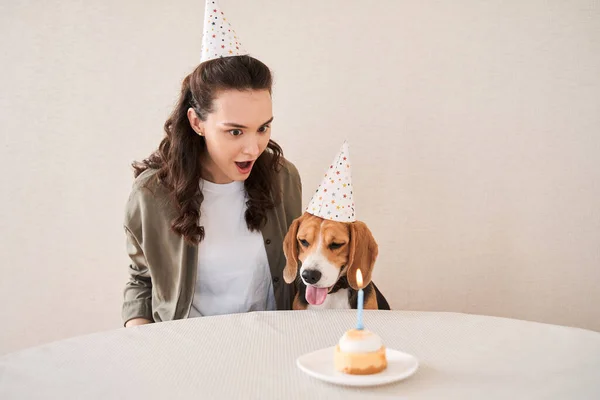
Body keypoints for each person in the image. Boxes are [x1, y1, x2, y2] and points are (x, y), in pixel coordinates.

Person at [122, 1, 301, 327]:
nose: (254, 147)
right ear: (196, 122)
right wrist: (144, 345)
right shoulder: (151, 194)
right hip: (188, 352)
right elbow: (141, 280)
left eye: (263, 127)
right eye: (235, 131)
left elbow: (299, 266)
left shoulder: (283, 178)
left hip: (273, 345)